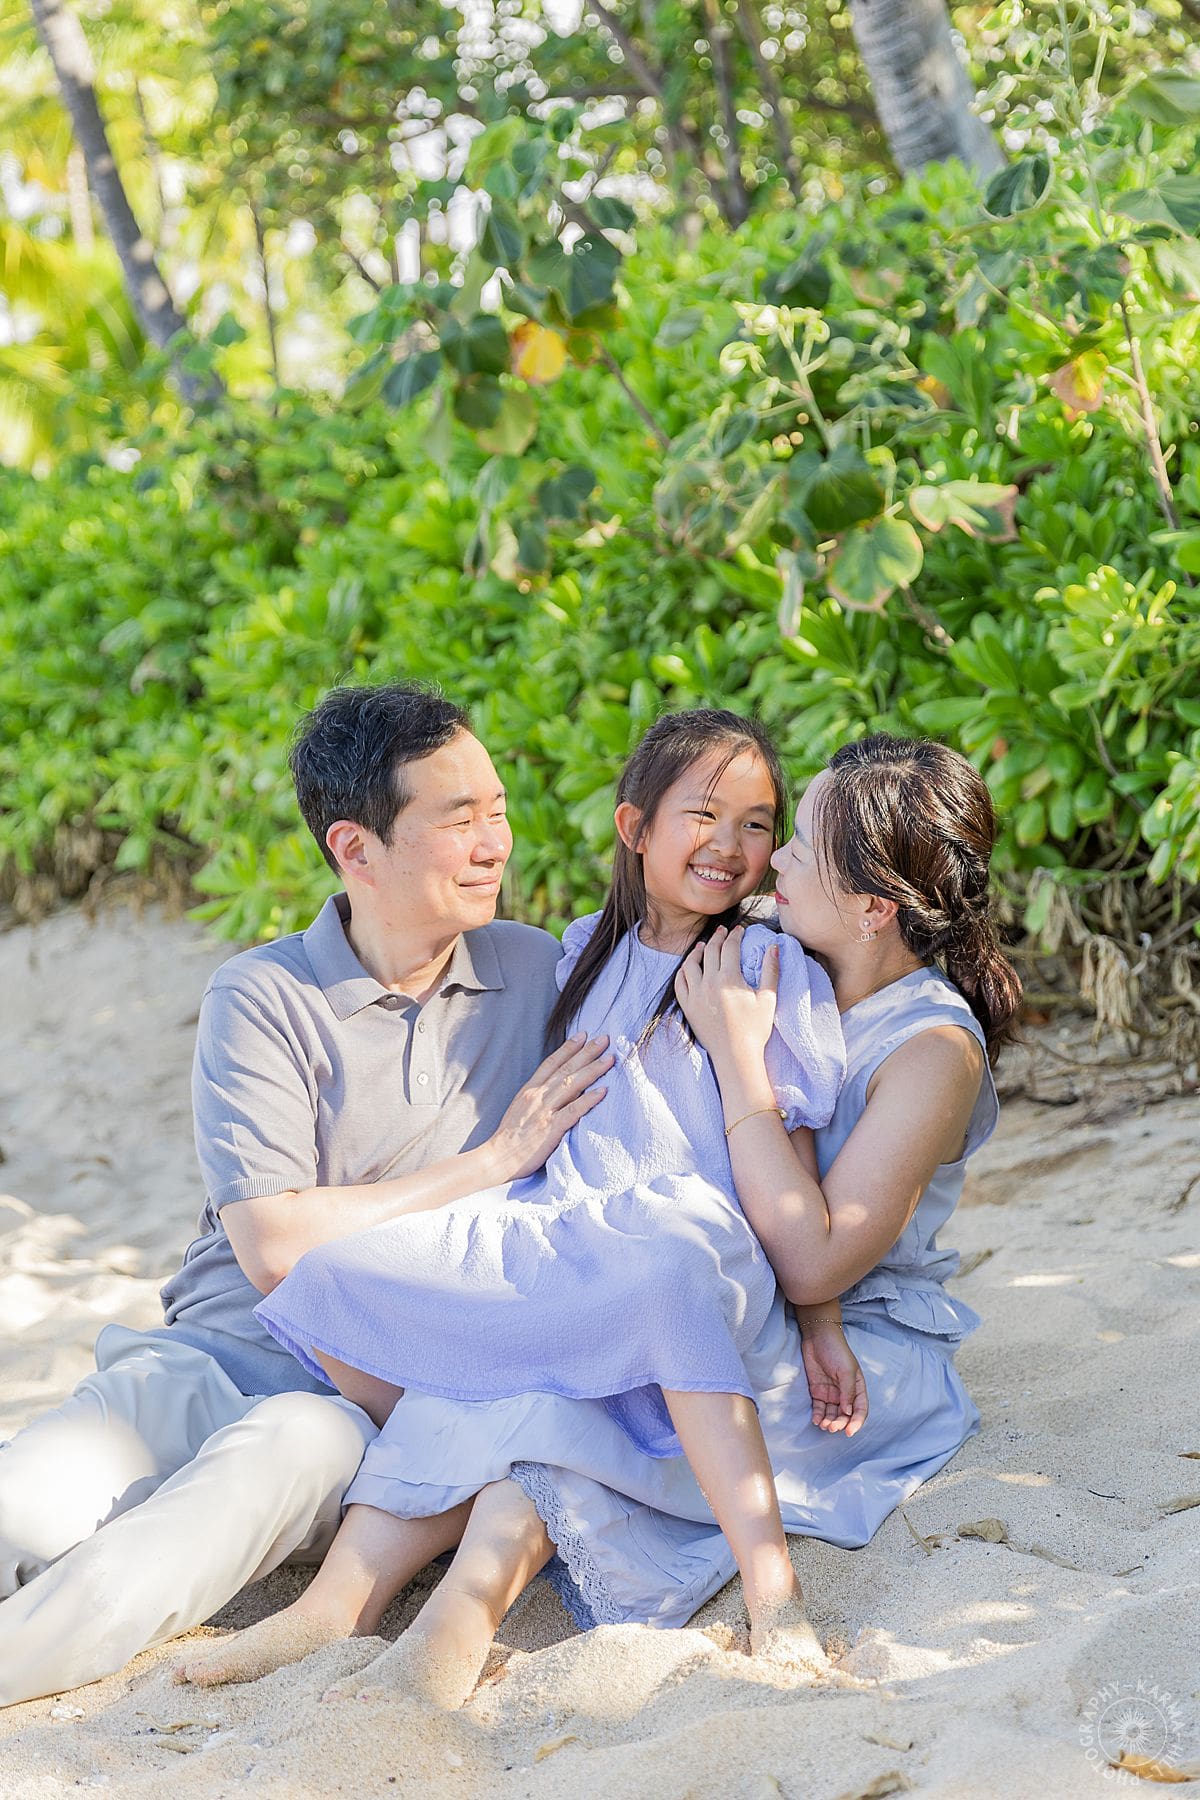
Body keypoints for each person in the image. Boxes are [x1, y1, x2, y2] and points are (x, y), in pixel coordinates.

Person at [177, 708, 866, 1701]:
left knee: (660, 1271)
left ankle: (776, 1596)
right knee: (351, 1283)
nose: (730, 845)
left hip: (687, 1242)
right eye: (703, 815)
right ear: (635, 827)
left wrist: (824, 1319)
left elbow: (790, 1151)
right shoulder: (578, 949)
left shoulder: (760, 964)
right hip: (563, 1230)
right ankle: (330, 1612)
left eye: (758, 825)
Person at [0, 682, 611, 1708]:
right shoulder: (264, 996)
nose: (495, 840)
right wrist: (491, 1162)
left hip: (347, 1410)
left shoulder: (538, 973)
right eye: (458, 818)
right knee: (26, 1505)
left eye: (498, 809)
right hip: (200, 1360)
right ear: (355, 848)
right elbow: (276, 1246)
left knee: (267, 1461)